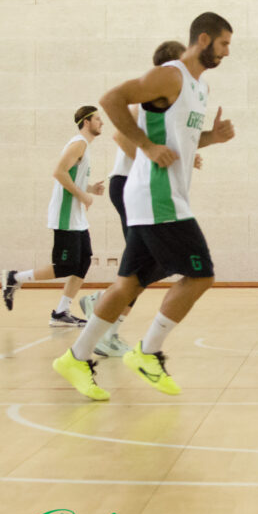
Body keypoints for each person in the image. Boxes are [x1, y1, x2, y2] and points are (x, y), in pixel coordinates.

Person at [52, 12, 236, 401]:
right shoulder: (171, 75)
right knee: (201, 276)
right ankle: (148, 352)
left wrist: (210, 139)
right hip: (157, 198)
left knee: (127, 284)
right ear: (203, 39)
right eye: (223, 45)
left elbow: (178, 140)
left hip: (162, 197)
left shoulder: (198, 88)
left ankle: (76, 357)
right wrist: (147, 147)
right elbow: (111, 100)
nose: (226, 53)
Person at [79, 40, 195, 358]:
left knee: (151, 264)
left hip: (142, 188)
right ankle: (106, 322)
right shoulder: (148, 94)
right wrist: (150, 155)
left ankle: (104, 304)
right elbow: (120, 136)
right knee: (150, 263)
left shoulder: (172, 100)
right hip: (131, 185)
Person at [1, 106, 106, 326]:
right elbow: (58, 172)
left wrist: (89, 189)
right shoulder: (78, 143)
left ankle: (61, 312)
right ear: (86, 122)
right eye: (98, 119)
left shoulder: (84, 146)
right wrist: (83, 196)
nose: (102, 122)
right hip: (65, 214)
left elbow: (71, 176)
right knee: (65, 265)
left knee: (83, 261)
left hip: (76, 215)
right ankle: (15, 278)